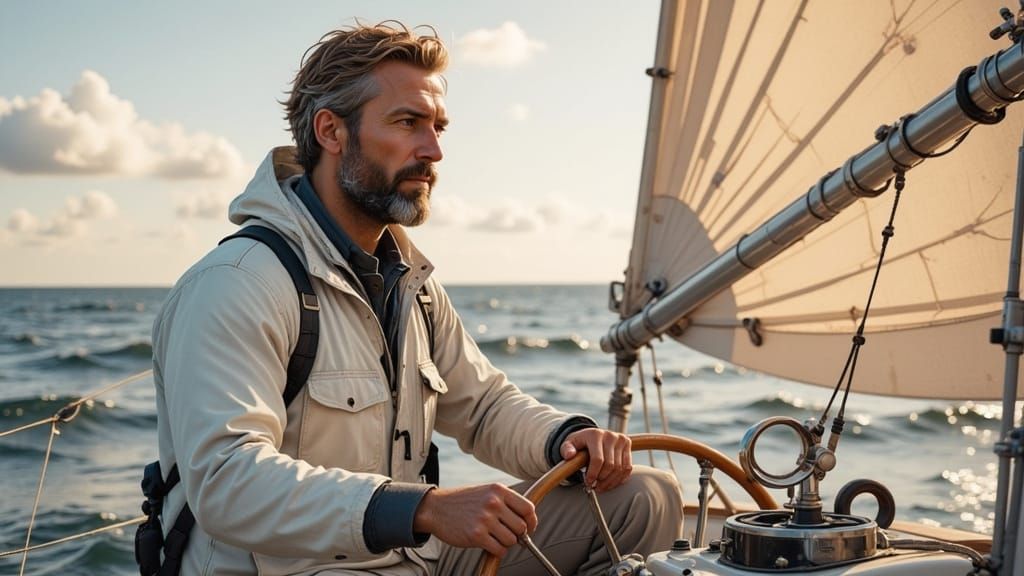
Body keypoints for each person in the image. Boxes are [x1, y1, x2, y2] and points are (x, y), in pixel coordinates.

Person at [151, 21, 683, 576]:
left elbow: (482, 407)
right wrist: (423, 508)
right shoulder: (238, 282)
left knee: (645, 497)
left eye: (438, 127)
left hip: (412, 559)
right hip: (293, 570)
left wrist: (566, 440)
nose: (433, 150)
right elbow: (227, 480)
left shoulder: (412, 283)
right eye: (408, 123)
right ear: (331, 131)